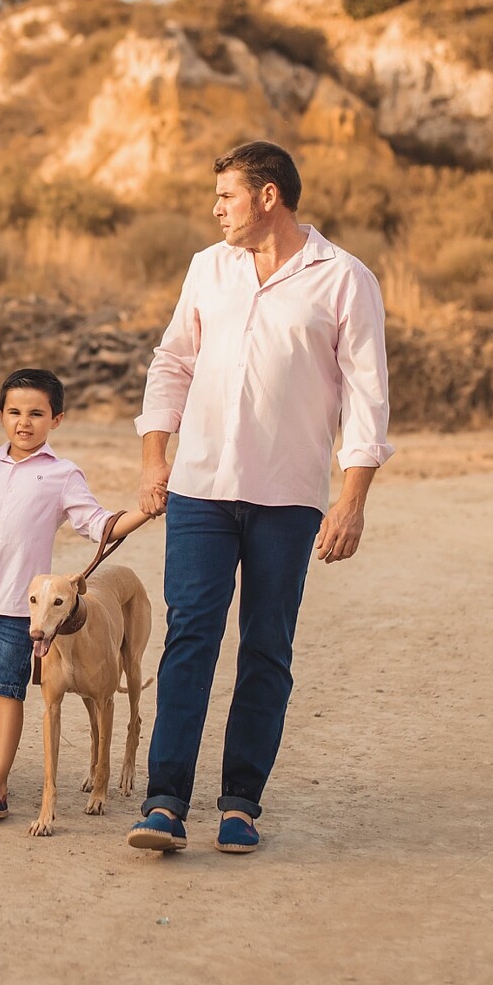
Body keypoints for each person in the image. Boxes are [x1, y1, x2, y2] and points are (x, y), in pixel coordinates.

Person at [126, 140, 393, 855]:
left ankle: (241, 802)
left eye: (227, 196)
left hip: (289, 494)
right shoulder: (207, 268)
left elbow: (367, 395)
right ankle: (164, 801)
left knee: (267, 648)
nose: (216, 209)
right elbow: (172, 360)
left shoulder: (343, 277)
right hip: (200, 489)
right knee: (190, 638)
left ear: (268, 196)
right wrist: (156, 454)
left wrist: (352, 498)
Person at [0, 369, 153, 820]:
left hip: (22, 606)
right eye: (14, 412)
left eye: (36, 413)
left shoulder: (62, 475)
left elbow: (98, 524)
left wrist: (143, 512)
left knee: (9, 689)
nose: (23, 422)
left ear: (57, 419)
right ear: (0, 415)